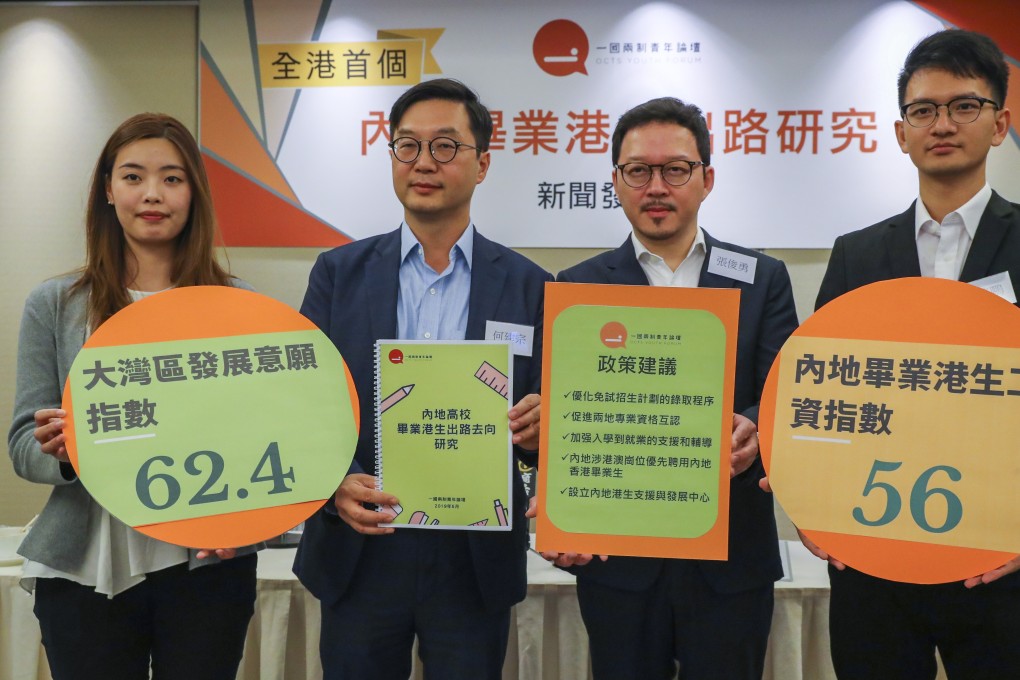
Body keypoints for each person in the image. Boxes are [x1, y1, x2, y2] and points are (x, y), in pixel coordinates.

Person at [293, 78, 550, 680]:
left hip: (473, 558)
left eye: (445, 146)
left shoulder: (531, 285)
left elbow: (546, 423)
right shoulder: (338, 274)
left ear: (482, 164)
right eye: (407, 146)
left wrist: (541, 432)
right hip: (363, 544)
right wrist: (333, 484)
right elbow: (302, 406)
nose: (424, 163)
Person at [552, 97, 799, 679]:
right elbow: (565, 417)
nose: (656, 187)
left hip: (731, 556)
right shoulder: (579, 287)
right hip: (618, 560)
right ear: (616, 181)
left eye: (676, 170)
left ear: (707, 179)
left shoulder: (763, 279)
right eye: (638, 170)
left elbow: (783, 396)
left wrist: (754, 428)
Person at [7, 113, 258, 679]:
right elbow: (23, 443)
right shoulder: (55, 303)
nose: (152, 194)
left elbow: (265, 438)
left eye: (172, 178)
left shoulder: (238, 304)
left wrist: (245, 523)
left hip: (206, 564)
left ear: (194, 193)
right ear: (108, 190)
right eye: (133, 176)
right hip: (87, 565)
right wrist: (63, 451)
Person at [811, 29, 1020, 680]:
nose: (943, 124)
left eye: (965, 106)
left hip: (1001, 560)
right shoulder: (857, 254)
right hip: (876, 557)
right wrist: (814, 506)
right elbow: (817, 393)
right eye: (924, 110)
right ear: (902, 133)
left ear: (1000, 124)